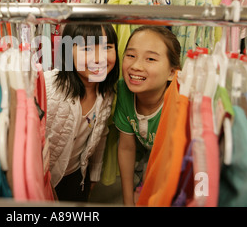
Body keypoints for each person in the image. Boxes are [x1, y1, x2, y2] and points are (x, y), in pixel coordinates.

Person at [44, 23, 119, 202]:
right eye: (87, 49)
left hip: (76, 176)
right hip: (44, 179)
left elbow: (100, 135)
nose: (99, 58)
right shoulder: (47, 87)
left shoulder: (106, 93)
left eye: (107, 47)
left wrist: (93, 175)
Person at [115, 26, 181, 206]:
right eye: (130, 55)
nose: (136, 66)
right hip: (147, 162)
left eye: (150, 59)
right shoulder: (123, 89)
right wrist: (128, 202)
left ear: (172, 73)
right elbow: (126, 148)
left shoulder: (180, 103)